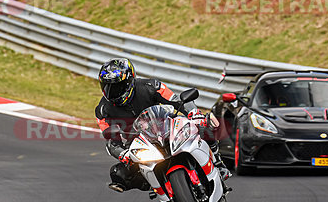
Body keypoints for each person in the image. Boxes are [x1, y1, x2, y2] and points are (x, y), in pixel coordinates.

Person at [95, 58, 231, 193]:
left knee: (203, 124)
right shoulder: (102, 110)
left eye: (117, 87)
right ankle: (158, 186)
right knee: (118, 174)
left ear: (129, 81)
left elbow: (177, 101)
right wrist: (122, 153)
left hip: (165, 127)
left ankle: (218, 163)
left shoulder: (151, 86)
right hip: (139, 143)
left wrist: (194, 113)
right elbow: (111, 141)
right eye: (107, 87)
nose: (112, 92)